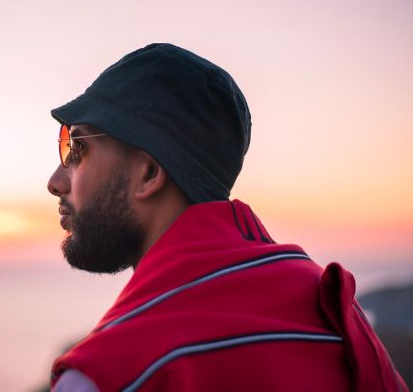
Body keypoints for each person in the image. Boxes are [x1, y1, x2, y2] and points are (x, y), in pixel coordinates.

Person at [46, 43, 407, 392]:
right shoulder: (339, 318)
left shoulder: (107, 374)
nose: (55, 181)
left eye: (77, 147)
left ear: (149, 174)